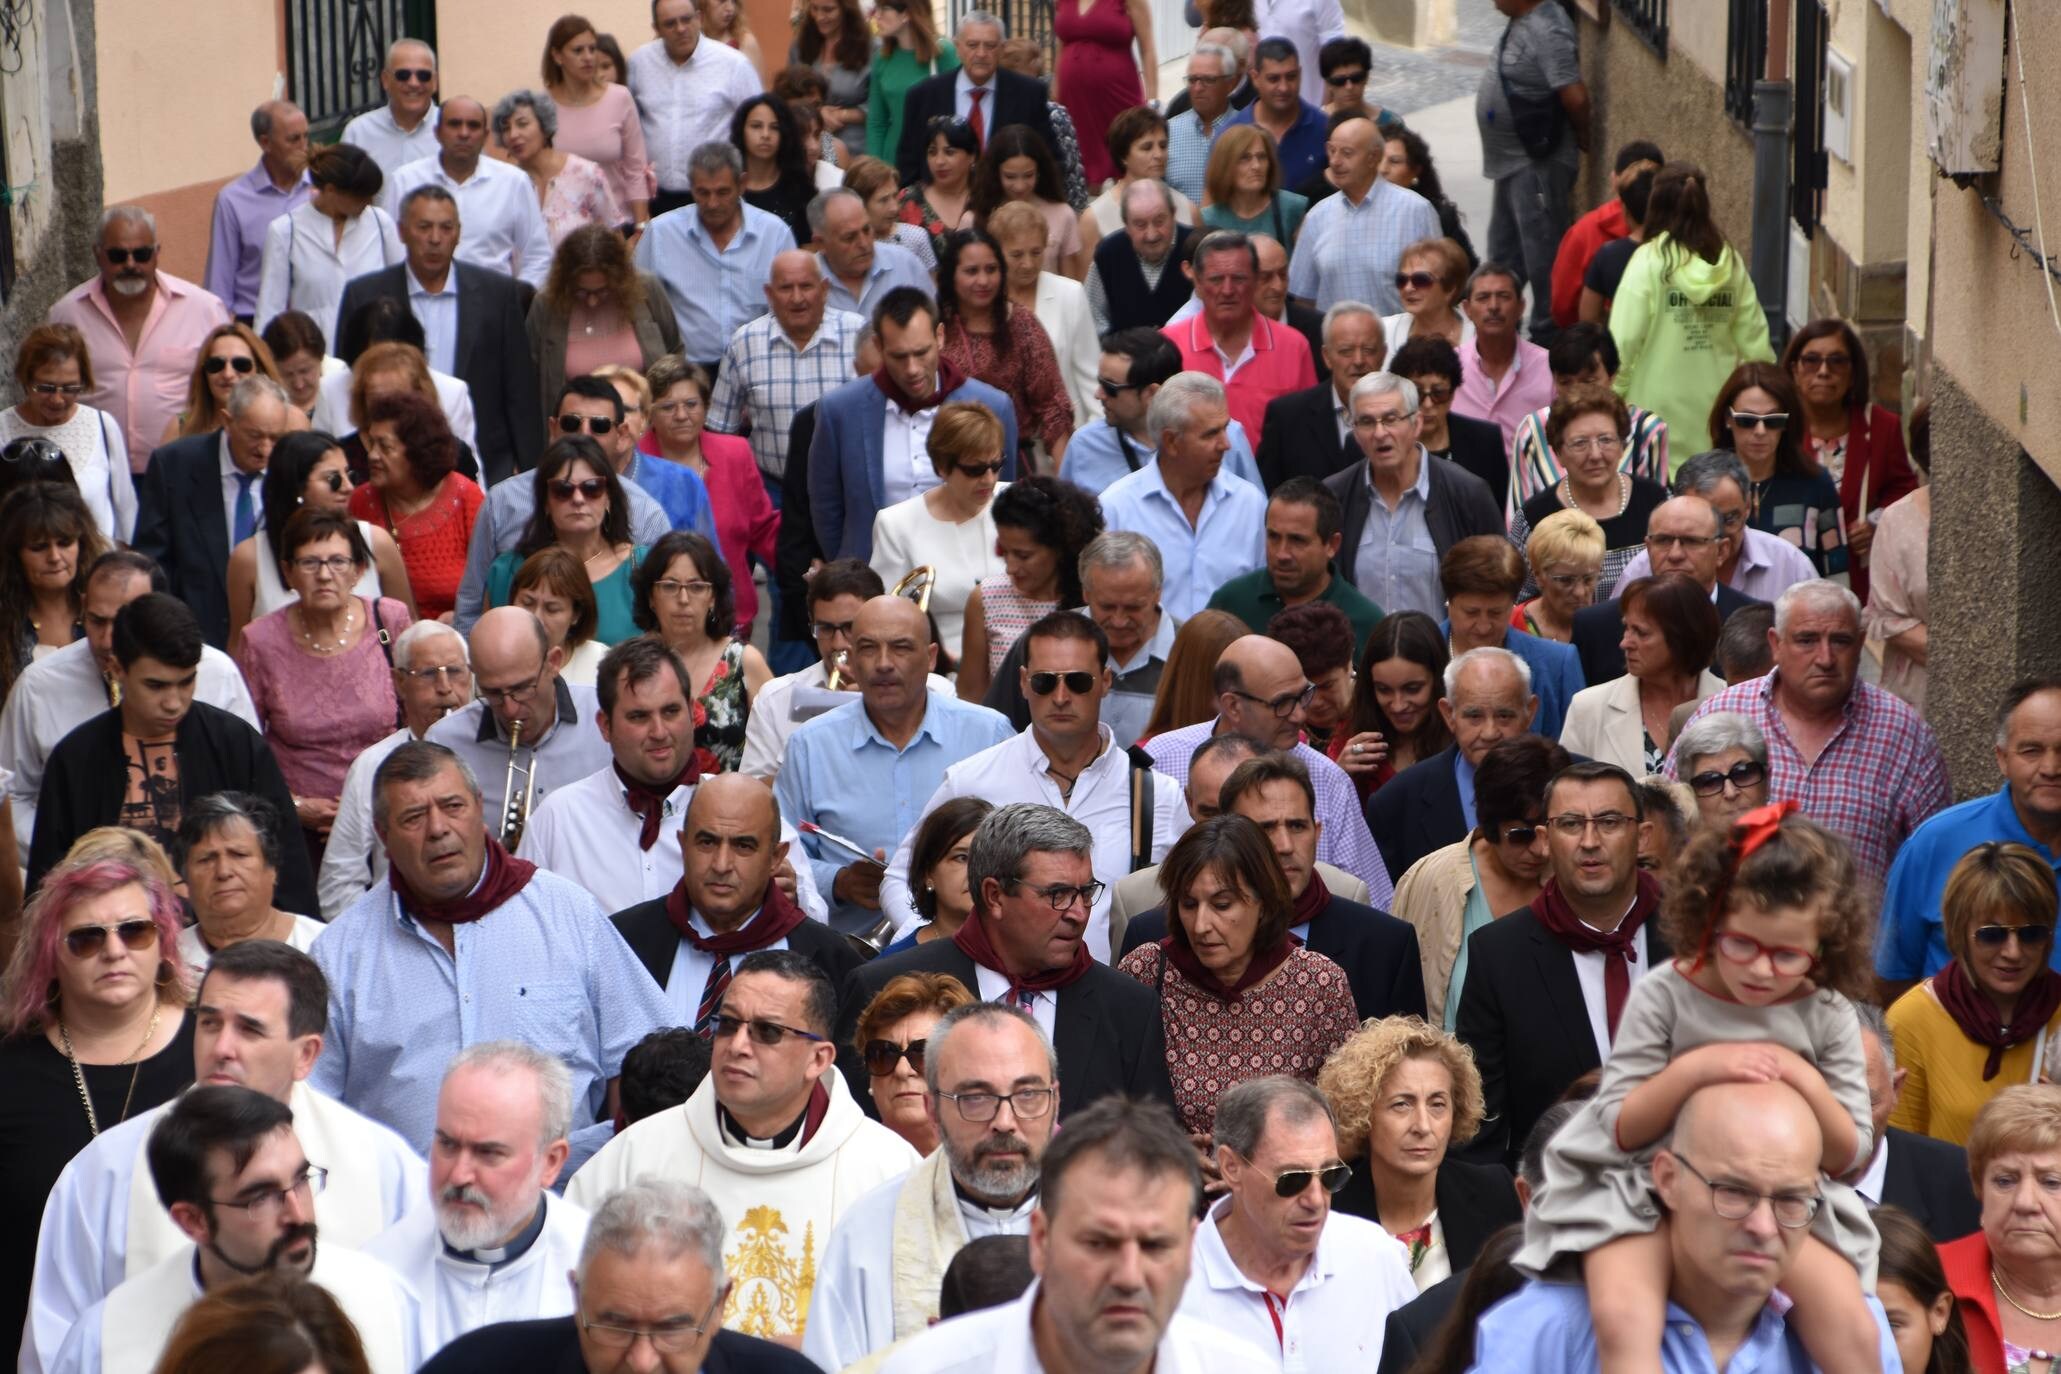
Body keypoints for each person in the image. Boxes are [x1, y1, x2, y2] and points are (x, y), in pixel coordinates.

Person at [1511, 800, 1885, 1374]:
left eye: (1787, 955)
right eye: (1742, 944)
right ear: (1708, 922)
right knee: (1623, 1313)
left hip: (1777, 1202)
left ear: (1825, 946)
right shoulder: (1667, 993)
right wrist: (1698, 1068)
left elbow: (1851, 1155)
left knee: (1853, 1327)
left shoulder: (1827, 1013)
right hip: (1644, 1183)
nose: (1762, 970)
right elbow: (1619, 1123)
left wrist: (1803, 1079)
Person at [22, 937, 425, 1374]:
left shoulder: (384, 1166)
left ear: (306, 1054)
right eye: (210, 1023)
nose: (221, 1049)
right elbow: (53, 1344)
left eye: (249, 1029)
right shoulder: (105, 1171)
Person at [309, 739, 668, 1153]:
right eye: (413, 817)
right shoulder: (341, 956)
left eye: (453, 806)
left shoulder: (568, 914)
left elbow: (642, 1060)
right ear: (383, 836)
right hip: (411, 1207)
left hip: (561, 1199)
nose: (438, 828)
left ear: (480, 808)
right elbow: (315, 1106)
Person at [566, 950, 919, 1339]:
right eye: (728, 1025)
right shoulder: (635, 1157)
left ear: (818, 1059)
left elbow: (911, 1328)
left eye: (767, 1031)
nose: (738, 1045)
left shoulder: (887, 1169)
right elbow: (574, 1303)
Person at [1476, 1078, 1899, 1372]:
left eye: (1791, 1199)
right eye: (1733, 1191)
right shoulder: (1553, 1327)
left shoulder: (1856, 1328)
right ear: (1667, 1179)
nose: (1763, 1226)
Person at [48, 1085, 420, 1374]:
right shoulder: (103, 1342)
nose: (297, 1213)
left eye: (301, 1179)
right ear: (192, 1220)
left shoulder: (390, 1304)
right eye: (261, 1197)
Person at [886, 613, 1185, 954]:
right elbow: (902, 877)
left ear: (1105, 681)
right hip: (991, 996)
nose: (1060, 696)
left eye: (1077, 682)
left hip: (1110, 997)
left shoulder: (1158, 795)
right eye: (1045, 682)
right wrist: (939, 945)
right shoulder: (971, 779)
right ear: (1024, 682)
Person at [0, 853, 195, 1357]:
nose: (114, 950)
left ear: (165, 944)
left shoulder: (212, 1049)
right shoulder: (11, 1066)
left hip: (196, 1347)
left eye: (135, 931)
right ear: (50, 956)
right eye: (86, 938)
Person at [806, 1001, 1055, 1368]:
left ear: (1057, 1099)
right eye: (976, 1098)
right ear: (932, 1109)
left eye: (1027, 1095)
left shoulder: (1111, 1221)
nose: (1005, 1121)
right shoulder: (868, 1233)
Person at [29, 591, 314, 906]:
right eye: (156, 686)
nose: (174, 702)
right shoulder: (76, 759)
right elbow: (48, 891)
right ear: (117, 668)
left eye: (186, 682)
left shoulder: (236, 744)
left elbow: (287, 866)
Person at [1453, 762, 1668, 1163]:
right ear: (1545, 840)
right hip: (1557, 1201)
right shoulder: (1500, 957)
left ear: (1642, 837)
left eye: (1608, 822)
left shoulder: (1693, 935)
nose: (1589, 841)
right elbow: (1481, 1129)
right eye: (1570, 824)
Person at [1674, 579, 1948, 886]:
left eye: (1840, 641)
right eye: (1807, 640)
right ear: (1776, 644)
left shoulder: (1906, 735)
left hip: (1857, 933)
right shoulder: (1718, 714)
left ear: (1860, 643)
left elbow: (1933, 870)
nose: (1825, 658)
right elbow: (1669, 831)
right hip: (1733, 930)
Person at [1125, 750, 1426, 1022]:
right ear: (1229, 834)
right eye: (1265, 828)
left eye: (1297, 826)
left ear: (1317, 832)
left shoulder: (1385, 945)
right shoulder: (1151, 941)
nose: (1283, 845)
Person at [419, 1177, 821, 1374]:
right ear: (577, 1297)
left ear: (719, 1305)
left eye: (671, 1329)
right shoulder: (478, 1367)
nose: (643, 1361)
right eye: (616, 1326)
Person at [780, 591, 1011, 931]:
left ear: (931, 658)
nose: (883, 663)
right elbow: (781, 855)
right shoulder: (811, 746)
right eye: (868, 648)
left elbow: (1022, 845)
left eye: (901, 647)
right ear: (852, 660)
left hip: (970, 947)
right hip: (849, 952)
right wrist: (839, 881)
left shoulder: (988, 733)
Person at [0, 552, 255, 854]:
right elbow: (11, 793)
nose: (109, 640)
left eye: (124, 621)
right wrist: (75, 853)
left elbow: (249, 783)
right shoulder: (38, 686)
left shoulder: (218, 673)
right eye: (97, 621)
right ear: (82, 609)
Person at [359, 1041, 589, 1362]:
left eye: (489, 1153)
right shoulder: (376, 1273)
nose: (459, 1175)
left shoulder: (595, 1270)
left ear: (551, 1162)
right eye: (448, 1145)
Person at [1177, 1074, 1420, 1358]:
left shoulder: (1375, 1258)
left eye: (1331, 1176)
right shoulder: (1170, 1285)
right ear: (1231, 1167)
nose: (1316, 1200)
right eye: (1293, 1180)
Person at [332, 186, 543, 484]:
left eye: (446, 228)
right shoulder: (364, 295)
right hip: (383, 468)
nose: (435, 239)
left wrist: (532, 473)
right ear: (402, 231)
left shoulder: (498, 294)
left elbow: (519, 390)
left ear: (458, 233)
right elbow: (348, 375)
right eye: (424, 227)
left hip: (483, 463)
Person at [234, 510, 412, 852]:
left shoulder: (390, 619)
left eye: (338, 561)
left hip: (388, 817)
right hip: (301, 828)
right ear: (288, 572)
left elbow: (420, 715)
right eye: (309, 563)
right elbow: (246, 745)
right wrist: (296, 806)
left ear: (359, 570)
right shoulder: (259, 641)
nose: (325, 575)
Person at [810, 288, 1021, 563]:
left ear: (941, 337)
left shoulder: (994, 406)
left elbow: (1004, 496)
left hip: (968, 571)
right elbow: (826, 505)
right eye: (899, 356)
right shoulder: (838, 411)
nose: (912, 369)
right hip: (872, 579)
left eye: (921, 353)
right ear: (879, 346)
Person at [1878, 679, 2061, 994]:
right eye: (2031, 750)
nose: (2051, 767)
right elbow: (1892, 978)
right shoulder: (1937, 841)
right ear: (2002, 758)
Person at [1313, 1016, 1520, 1292]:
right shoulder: (1329, 1213)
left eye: (1437, 1105)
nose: (1423, 1126)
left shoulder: (1494, 1192)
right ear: (1362, 1114)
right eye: (1401, 1105)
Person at [1883, 844, 2061, 1149]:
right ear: (1959, 932)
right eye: (1992, 934)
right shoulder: (1911, 1019)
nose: (2013, 952)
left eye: (2030, 934)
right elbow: (1900, 1155)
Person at [1390, 734, 1567, 1025]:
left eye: (1549, 831)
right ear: (1489, 822)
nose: (1539, 849)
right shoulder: (1432, 880)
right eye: (1521, 835)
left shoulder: (1575, 880)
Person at [1610, 161, 1776, 454]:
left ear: (1655, 206)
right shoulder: (1731, 264)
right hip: (1719, 421)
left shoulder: (1647, 263)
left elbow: (1622, 346)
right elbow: (1757, 349)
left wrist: (1613, 402)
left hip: (1653, 426)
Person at [48, 206, 233, 469]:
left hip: (184, 468)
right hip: (98, 469)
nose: (130, 264)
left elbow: (234, 384)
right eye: (118, 255)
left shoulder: (204, 309)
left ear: (157, 253)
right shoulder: (66, 314)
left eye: (142, 254)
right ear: (97, 254)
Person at [315, 620, 472, 919]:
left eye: (455, 671)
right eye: (428, 674)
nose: (445, 688)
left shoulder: (496, 753)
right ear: (399, 682)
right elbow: (338, 881)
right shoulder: (373, 765)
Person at [421, 605, 610, 848]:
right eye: (492, 693)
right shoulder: (444, 742)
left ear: (553, 662)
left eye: (522, 688)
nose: (510, 709)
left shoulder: (605, 714)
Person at [1323, 371, 1503, 619]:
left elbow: (1499, 584)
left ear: (1416, 423)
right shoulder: (1334, 497)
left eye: (1391, 419)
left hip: (1444, 654)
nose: (1379, 433)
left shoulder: (1467, 493)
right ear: (1354, 431)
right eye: (1366, 422)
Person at [1366, 644, 1541, 888]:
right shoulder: (1395, 804)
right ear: (1449, 714)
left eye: (1504, 716)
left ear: (1529, 712)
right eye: (1474, 716)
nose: (1490, 733)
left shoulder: (1571, 783)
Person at [1099, 371, 1266, 621]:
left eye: (1225, 429)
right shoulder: (1117, 507)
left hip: (1233, 657)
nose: (1226, 444)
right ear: (1171, 441)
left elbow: (1263, 597)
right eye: (1210, 434)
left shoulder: (1250, 504)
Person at [706, 248, 867, 506]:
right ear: (769, 294)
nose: (797, 298)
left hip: (846, 490)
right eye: (785, 288)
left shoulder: (859, 333)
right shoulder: (744, 343)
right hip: (771, 493)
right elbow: (719, 432)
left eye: (806, 286)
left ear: (825, 289)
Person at [225, 429, 412, 651]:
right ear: (297, 487)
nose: (348, 487)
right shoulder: (249, 558)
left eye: (349, 476)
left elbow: (407, 633)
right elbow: (240, 647)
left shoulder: (376, 543)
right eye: (333, 479)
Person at [1474, 0, 1587, 343]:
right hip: (1510, 163)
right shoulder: (1524, 19)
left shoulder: (1547, 28)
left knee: (1543, 259)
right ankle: (1500, 332)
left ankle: (1546, 338)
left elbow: (1576, 97)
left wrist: (1585, 141)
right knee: (1505, 255)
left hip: (1535, 165)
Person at [1783, 319, 1918, 601]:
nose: (1823, 371)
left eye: (1837, 361)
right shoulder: (1779, 429)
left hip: (1857, 583)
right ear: (1794, 369)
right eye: (1811, 361)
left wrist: (1875, 522)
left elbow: (1904, 490)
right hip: (1792, 575)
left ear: (1853, 372)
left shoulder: (1882, 426)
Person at [636, 143, 797, 374]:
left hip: (758, 368)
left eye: (722, 192)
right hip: (686, 372)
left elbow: (790, 305)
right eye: (703, 193)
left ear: (742, 185)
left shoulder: (774, 234)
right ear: (691, 188)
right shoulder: (661, 233)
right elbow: (637, 300)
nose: (712, 203)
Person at [1934, 1085, 2061, 1373]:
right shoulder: (1928, 1278)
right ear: (1980, 1191)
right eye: (2005, 1181)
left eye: (2051, 1182)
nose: (2026, 1202)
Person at [1572, 493, 1761, 685]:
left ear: (1721, 551)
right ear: (1648, 546)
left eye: (1691, 541)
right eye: (1663, 540)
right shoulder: (1596, 627)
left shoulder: (1754, 624)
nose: (1675, 554)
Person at [936, 228, 1075, 476]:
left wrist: (1066, 480)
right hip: (943, 462)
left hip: (1011, 460)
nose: (983, 281)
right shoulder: (935, 325)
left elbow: (1052, 406)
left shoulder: (1022, 324)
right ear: (951, 276)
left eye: (991, 269)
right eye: (971, 271)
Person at [871, 400, 1007, 653]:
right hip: (942, 672)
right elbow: (886, 620)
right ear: (942, 467)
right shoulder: (896, 524)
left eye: (996, 465)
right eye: (974, 469)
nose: (988, 478)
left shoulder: (1021, 503)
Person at [629, 532, 772, 771]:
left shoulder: (745, 662)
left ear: (713, 597)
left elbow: (778, 747)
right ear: (651, 597)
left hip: (730, 803)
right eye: (670, 586)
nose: (683, 599)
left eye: (696, 587)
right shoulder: (629, 663)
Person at [483, 437, 643, 646]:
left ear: (609, 498)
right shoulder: (507, 570)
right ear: (545, 502)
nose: (578, 499)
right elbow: (493, 649)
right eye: (563, 489)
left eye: (592, 488)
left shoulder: (641, 566)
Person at [1559, 572, 1722, 775]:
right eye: (1626, 628)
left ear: (1683, 638)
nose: (1624, 643)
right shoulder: (1589, 708)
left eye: (1641, 633)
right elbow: (1567, 793)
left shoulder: (1731, 702)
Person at [957, 474, 1103, 699]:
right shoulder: (986, 599)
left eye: (1023, 556)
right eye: (1004, 552)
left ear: (1060, 549)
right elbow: (971, 697)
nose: (1011, 567)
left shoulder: (1094, 600)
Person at [382, 96, 552, 290]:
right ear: (437, 132)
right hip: (420, 306)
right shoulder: (405, 180)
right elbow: (390, 251)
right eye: (454, 125)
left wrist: (516, 300)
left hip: (492, 308)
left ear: (485, 135)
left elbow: (538, 254)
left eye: (473, 126)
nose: (464, 133)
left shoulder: (513, 182)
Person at [1164, 231, 1318, 445]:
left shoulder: (1293, 346)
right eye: (1216, 279)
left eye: (1238, 279)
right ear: (1197, 283)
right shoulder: (1169, 345)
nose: (1227, 290)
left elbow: (1308, 434)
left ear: (1254, 281)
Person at [1508, 323, 1670, 525]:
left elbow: (1657, 514)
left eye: (1588, 382)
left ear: (1612, 376)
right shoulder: (1532, 429)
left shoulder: (1647, 430)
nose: (1577, 392)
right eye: (1565, 383)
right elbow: (1518, 516)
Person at [346, 388, 485, 620]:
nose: (372, 455)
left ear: (418, 451)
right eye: (371, 444)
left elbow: (490, 588)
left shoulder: (465, 498)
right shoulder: (360, 502)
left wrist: (459, 620)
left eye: (385, 447)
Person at [1287, 111, 1440, 316]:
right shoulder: (1317, 217)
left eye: (1347, 153)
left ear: (1373, 157)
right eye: (1332, 151)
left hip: (1399, 344)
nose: (1335, 161)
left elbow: (1438, 286)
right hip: (1337, 344)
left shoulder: (1414, 211)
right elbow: (1303, 297)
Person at [525, 229, 679, 427]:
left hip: (646, 431)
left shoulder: (646, 288)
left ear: (620, 280)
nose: (592, 301)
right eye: (581, 292)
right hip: (577, 436)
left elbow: (674, 350)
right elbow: (529, 377)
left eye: (602, 291)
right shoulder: (546, 305)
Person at [1853, 1008, 1983, 1243]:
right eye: (1825, 1102)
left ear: (1896, 1090)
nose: (1842, 1122)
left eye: (1864, 1103)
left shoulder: (1960, 1181)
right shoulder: (1767, 1183)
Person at [1708, 361, 1848, 577]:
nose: (1760, 431)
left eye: (1773, 421)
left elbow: (1837, 569)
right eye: (1747, 420)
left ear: (1787, 423)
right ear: (1728, 419)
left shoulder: (1815, 483)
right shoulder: (1703, 485)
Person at [1438, 535, 1584, 739]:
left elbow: (1577, 753)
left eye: (1496, 613)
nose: (1483, 626)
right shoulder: (1419, 654)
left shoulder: (1556, 665)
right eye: (1471, 612)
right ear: (1449, 602)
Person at [253, 144, 401, 344]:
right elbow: (270, 308)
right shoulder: (285, 231)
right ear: (331, 191)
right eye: (361, 196)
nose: (369, 202)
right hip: (314, 351)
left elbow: (401, 287)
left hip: (374, 345)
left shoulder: (380, 223)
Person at [629, 0, 764, 216]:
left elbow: (758, 121)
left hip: (715, 197)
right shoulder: (639, 63)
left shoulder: (733, 64)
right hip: (657, 198)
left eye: (686, 20)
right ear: (657, 29)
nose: (681, 29)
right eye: (670, 24)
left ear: (699, 18)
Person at [3, 326, 138, 541]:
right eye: (46, 388)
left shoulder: (102, 425)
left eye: (69, 388)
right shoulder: (3, 429)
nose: (57, 399)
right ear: (26, 381)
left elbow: (125, 508)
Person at [892, 12, 1059, 183]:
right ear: (957, 47)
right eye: (972, 45)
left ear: (1002, 49)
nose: (981, 53)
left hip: (1007, 202)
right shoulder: (923, 96)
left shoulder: (1029, 94)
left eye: (990, 46)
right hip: (941, 203)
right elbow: (908, 164)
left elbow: (1049, 160)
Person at [170, 793, 323, 964]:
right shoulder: (169, 961)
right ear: (185, 878)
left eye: (239, 855)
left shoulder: (322, 948)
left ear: (272, 868)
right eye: (206, 859)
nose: (223, 871)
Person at [1253, 301, 1383, 490]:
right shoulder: (1287, 417)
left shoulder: (1402, 413)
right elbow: (1269, 494)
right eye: (1346, 351)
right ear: (1326, 357)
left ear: (1384, 354)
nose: (1358, 361)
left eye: (1368, 350)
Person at [205, 101, 313, 323]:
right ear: (266, 143)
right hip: (256, 320)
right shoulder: (233, 200)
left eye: (306, 136)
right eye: (293, 139)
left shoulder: (322, 190)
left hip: (313, 317)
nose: (304, 147)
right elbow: (220, 281)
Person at [540, 16, 652, 229]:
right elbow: (539, 171)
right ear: (557, 56)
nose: (588, 57)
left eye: (592, 49)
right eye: (578, 51)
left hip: (618, 224)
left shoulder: (619, 98)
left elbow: (635, 168)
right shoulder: (543, 105)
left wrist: (640, 227)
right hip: (565, 226)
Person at [1332, 609, 1451, 802]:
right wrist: (1337, 775)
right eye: (1384, 690)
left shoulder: (1463, 738)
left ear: (1438, 682)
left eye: (1412, 689)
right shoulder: (1351, 739)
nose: (1397, 705)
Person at [0, 483, 102, 700]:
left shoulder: (109, 610)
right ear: (15, 554)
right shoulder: (5, 622)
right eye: (38, 547)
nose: (54, 557)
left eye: (65, 543)